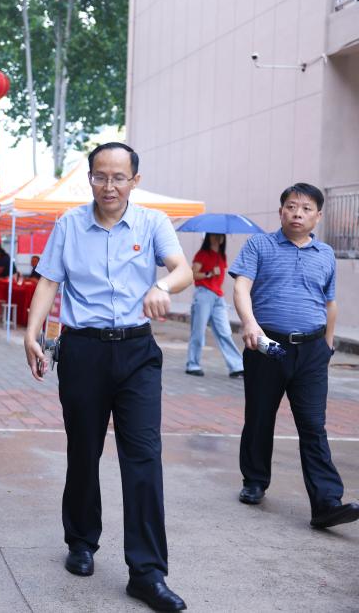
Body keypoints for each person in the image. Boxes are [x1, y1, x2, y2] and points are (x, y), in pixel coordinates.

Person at [23, 142, 193, 612]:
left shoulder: (153, 223)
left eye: (119, 177)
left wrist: (161, 286)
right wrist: (32, 334)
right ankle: (81, 541)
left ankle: (148, 572)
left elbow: (182, 271)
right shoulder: (69, 224)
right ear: (90, 179)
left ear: (135, 180)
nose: (109, 186)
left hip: (137, 352)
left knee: (144, 457)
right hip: (83, 351)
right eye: (101, 176)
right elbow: (49, 281)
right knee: (84, 451)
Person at [230, 183, 359, 529]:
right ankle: (255, 481)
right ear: (281, 211)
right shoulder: (259, 245)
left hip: (313, 350)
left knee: (314, 425)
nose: (297, 213)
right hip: (267, 347)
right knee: (260, 416)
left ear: (318, 216)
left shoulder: (325, 254)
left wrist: (328, 345)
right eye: (291, 206)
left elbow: (330, 303)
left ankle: (327, 503)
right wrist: (250, 323)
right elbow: (241, 286)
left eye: (305, 208)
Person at [185, 233, 243, 378]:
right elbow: (193, 274)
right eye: (214, 235)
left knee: (225, 332)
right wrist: (209, 273)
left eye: (220, 236)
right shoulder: (203, 254)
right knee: (198, 331)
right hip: (203, 294)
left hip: (218, 297)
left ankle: (237, 366)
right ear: (209, 237)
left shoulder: (222, 256)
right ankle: (193, 365)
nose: (218, 238)